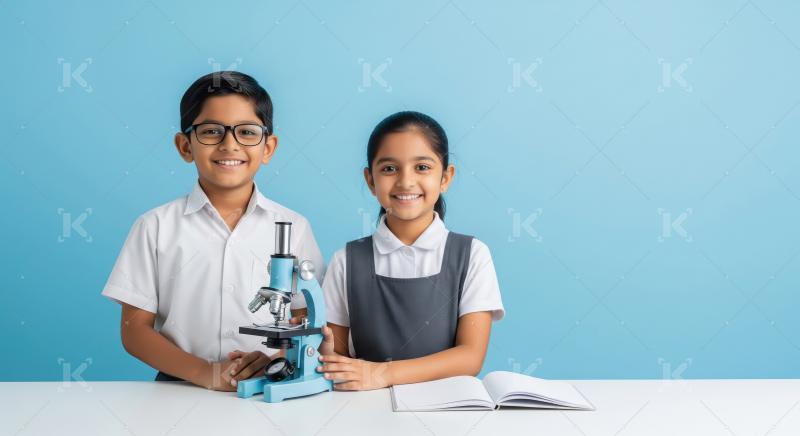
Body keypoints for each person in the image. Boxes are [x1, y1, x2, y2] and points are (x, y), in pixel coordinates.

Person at [101, 71, 324, 390]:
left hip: (268, 382)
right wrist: (206, 372)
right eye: (211, 132)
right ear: (185, 146)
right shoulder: (154, 227)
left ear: (268, 147)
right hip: (180, 387)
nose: (229, 145)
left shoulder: (295, 227)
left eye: (246, 132)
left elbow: (307, 321)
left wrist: (276, 360)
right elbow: (134, 331)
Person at [316, 111, 504, 390]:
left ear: (446, 177)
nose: (405, 181)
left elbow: (470, 357)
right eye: (389, 168)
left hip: (447, 405)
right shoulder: (346, 260)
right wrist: (323, 351)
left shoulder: (472, 255)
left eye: (422, 167)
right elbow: (337, 357)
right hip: (366, 408)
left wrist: (382, 374)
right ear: (370, 180)